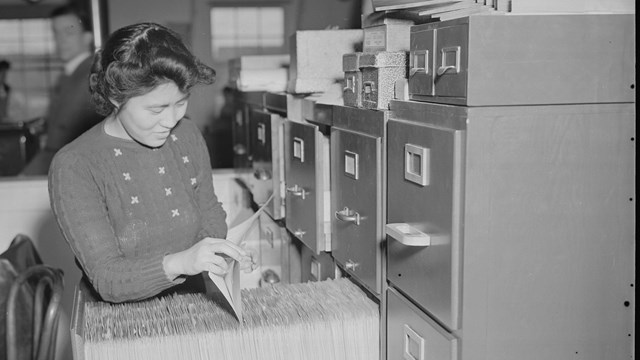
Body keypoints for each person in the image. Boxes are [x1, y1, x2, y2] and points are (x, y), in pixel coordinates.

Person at [48, 22, 254, 303]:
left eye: (181, 103)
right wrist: (182, 262)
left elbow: (210, 211)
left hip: (193, 303)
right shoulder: (75, 165)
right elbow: (108, 278)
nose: (170, 122)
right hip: (119, 321)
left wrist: (217, 256)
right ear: (115, 97)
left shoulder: (188, 134)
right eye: (156, 109)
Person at [21, 5, 103, 175]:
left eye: (69, 32)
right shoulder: (68, 76)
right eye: (56, 33)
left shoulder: (91, 76)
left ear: (87, 37)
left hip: (74, 170)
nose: (61, 40)